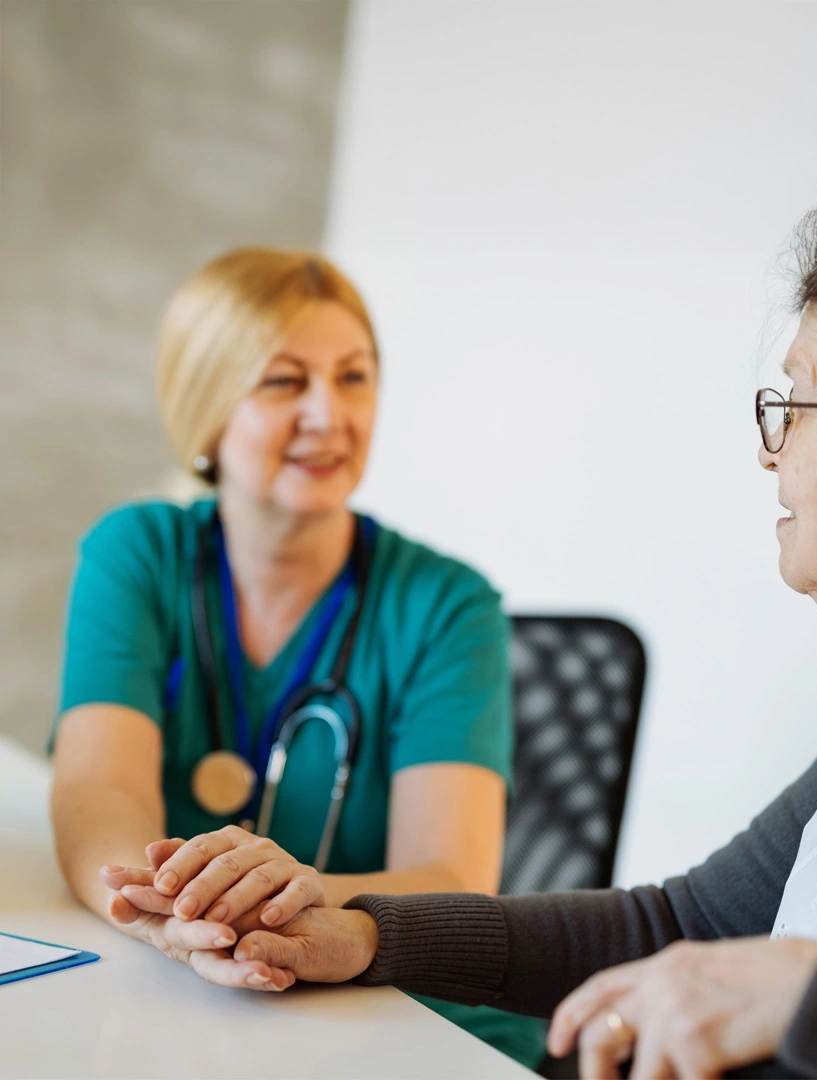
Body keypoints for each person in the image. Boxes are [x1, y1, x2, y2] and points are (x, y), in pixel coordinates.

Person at [108, 179, 817, 1078]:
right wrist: (364, 931)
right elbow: (686, 921)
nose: (768, 451)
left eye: (796, 401)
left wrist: (811, 994)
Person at [49, 247, 545, 1068]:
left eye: (353, 378)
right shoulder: (135, 555)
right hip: (187, 989)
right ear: (206, 406)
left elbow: (453, 875)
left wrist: (267, 902)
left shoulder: (447, 605)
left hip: (402, 1016)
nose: (329, 414)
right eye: (284, 382)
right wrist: (172, 917)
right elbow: (96, 791)